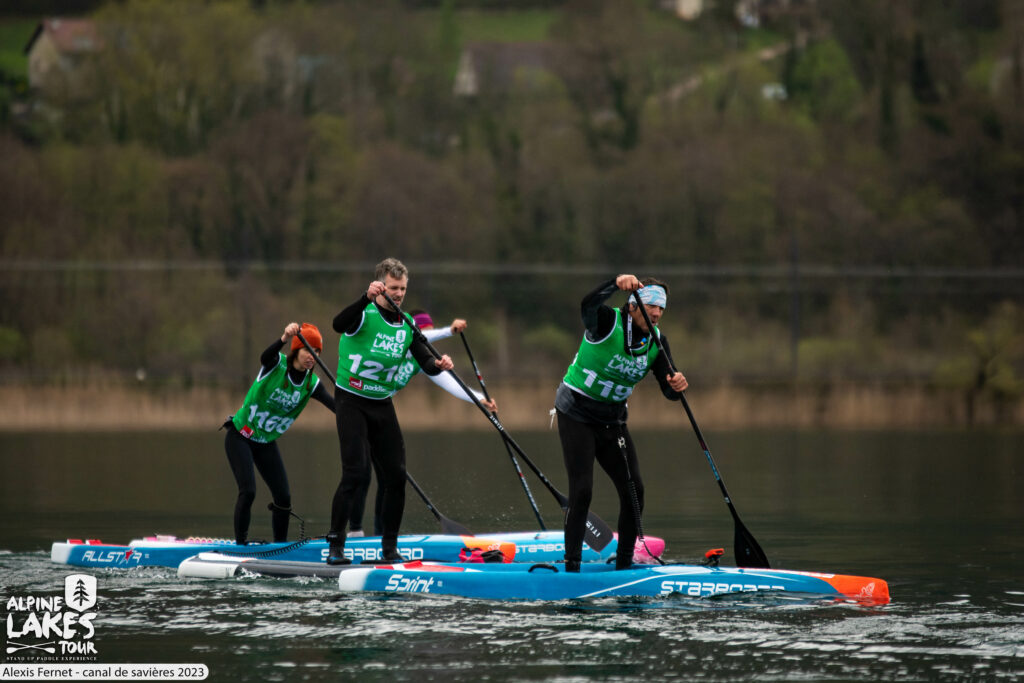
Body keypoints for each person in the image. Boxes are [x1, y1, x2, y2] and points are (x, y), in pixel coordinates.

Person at [554, 274, 688, 572]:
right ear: (632, 307)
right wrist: (614, 283)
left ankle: (624, 566)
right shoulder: (605, 322)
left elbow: (669, 389)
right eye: (651, 305)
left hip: (612, 421)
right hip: (576, 412)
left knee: (634, 491)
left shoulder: (657, 341)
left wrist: (677, 385)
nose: (656, 313)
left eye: (661, 309)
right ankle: (572, 566)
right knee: (583, 490)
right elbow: (587, 305)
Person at [326, 258, 456, 565]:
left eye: (403, 289)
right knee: (355, 473)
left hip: (381, 404)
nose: (398, 294)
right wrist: (364, 297)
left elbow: (424, 358)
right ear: (381, 285)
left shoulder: (407, 323)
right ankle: (335, 546)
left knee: (396, 477)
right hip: (351, 401)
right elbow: (337, 324)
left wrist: (438, 365)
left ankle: (389, 549)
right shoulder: (364, 314)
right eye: (393, 287)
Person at [346, 310, 496, 538]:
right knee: (361, 473)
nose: (424, 338)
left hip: (380, 412)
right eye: (422, 332)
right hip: (358, 405)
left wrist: (480, 399)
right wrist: (449, 330)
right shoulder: (399, 342)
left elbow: (450, 382)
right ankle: (354, 532)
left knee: (389, 478)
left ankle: (380, 536)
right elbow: (423, 335)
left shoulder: (421, 360)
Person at [223, 322, 335, 546]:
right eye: (307, 350)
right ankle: (240, 545)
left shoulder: (312, 384)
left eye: (317, 352)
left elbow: (337, 407)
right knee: (248, 491)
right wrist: (283, 338)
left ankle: (280, 547)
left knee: (283, 497)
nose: (312, 356)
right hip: (240, 436)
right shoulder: (276, 364)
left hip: (265, 443)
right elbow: (265, 356)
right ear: (296, 350)